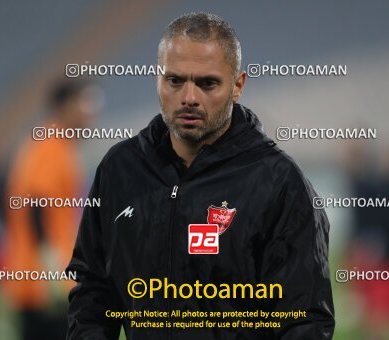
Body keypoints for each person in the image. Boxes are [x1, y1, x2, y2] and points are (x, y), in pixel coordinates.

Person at [67, 12, 335, 339]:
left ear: (237, 85)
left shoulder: (280, 182)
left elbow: (304, 322)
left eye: (207, 83)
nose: (189, 98)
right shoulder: (120, 168)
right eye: (175, 80)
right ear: (157, 79)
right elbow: (93, 291)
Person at [4, 80, 98, 340]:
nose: (91, 111)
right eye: (85, 103)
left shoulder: (54, 145)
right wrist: (51, 268)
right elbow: (35, 205)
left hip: (41, 279)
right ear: (65, 107)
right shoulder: (50, 146)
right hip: (44, 284)